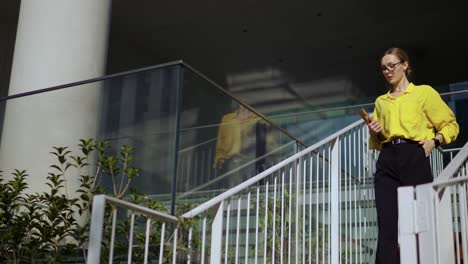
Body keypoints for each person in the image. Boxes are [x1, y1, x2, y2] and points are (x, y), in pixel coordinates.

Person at [368, 47, 459, 263]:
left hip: (414, 154)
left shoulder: (424, 93)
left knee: (420, 219)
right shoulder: (381, 101)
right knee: (387, 223)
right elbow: (379, 142)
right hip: (387, 157)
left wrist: (434, 141)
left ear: (405, 65)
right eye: (384, 68)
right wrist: (375, 133)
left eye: (392, 66)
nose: (388, 71)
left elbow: (450, 124)